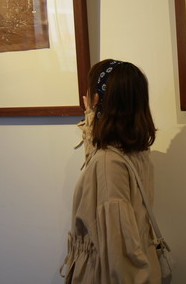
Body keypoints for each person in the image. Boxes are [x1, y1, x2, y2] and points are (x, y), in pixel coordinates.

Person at [61, 59, 162, 283]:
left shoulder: (108, 163)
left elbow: (119, 256)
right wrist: (92, 118)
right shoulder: (135, 152)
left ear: (97, 99)